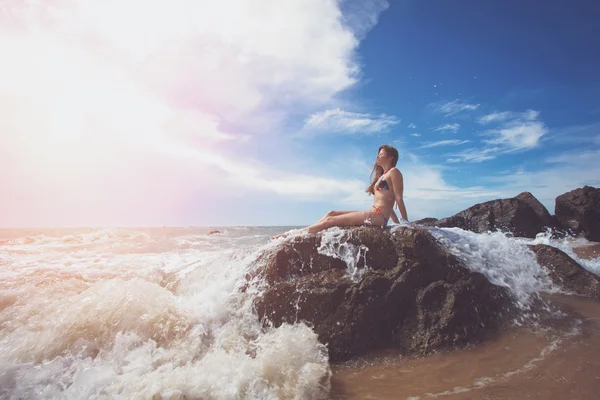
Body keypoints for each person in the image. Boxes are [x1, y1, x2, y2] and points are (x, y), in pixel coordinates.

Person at [272, 145, 408, 239]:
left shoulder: (394, 172)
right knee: (331, 213)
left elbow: (398, 198)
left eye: (381, 154)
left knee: (330, 221)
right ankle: (308, 230)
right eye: (378, 154)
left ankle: (293, 234)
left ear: (390, 157)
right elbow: (388, 202)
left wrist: (405, 223)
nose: (377, 157)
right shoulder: (381, 176)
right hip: (377, 215)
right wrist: (393, 223)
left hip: (377, 216)